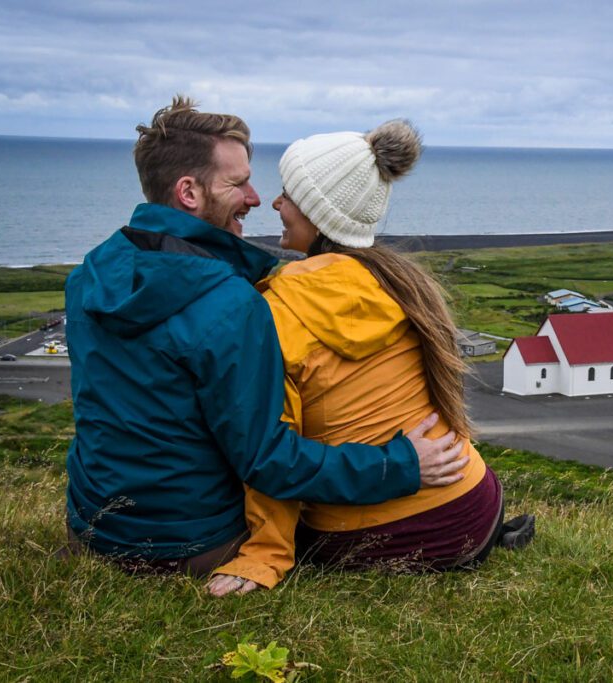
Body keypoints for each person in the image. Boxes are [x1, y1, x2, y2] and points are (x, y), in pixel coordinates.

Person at [63, 97, 468, 578]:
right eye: (237, 183)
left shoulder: (87, 276)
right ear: (188, 192)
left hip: (91, 528)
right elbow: (270, 463)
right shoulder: (233, 305)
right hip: (191, 545)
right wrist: (397, 465)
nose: (256, 198)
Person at [208, 119, 534, 596]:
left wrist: (266, 554)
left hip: (382, 535)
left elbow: (273, 445)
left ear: (320, 213)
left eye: (289, 196)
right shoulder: (397, 283)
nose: (274, 203)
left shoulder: (277, 309)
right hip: (477, 504)